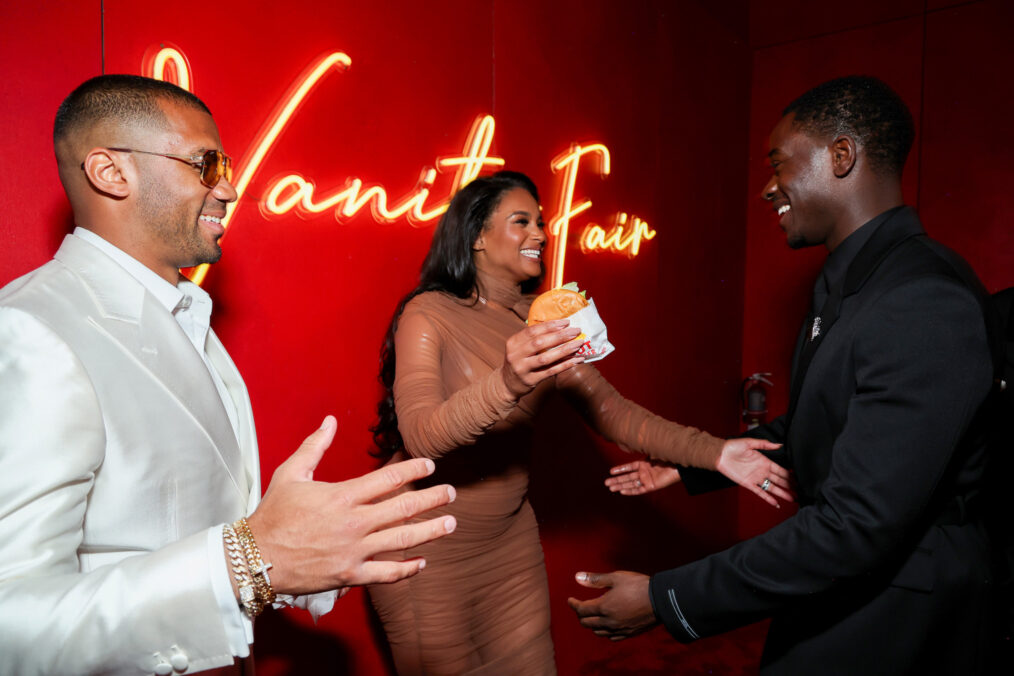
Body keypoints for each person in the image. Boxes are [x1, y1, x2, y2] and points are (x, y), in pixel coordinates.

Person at [0, 74, 459, 675]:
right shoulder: (33, 331)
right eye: (206, 163)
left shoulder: (184, 315)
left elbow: (199, 527)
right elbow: (12, 621)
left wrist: (313, 551)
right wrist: (251, 560)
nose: (230, 187)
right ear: (111, 173)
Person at [568, 76, 1001, 674]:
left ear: (842, 156)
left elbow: (856, 526)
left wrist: (666, 598)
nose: (768, 188)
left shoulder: (922, 299)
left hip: (901, 613)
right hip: (845, 586)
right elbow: (817, 426)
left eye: (779, 164)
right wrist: (693, 466)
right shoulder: (852, 282)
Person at [366, 170, 792, 675]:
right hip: (423, 546)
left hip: (507, 540)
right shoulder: (428, 313)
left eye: (542, 223)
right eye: (521, 220)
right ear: (477, 235)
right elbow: (420, 437)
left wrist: (719, 453)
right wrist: (507, 381)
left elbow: (615, 412)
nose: (542, 234)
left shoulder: (544, 322)